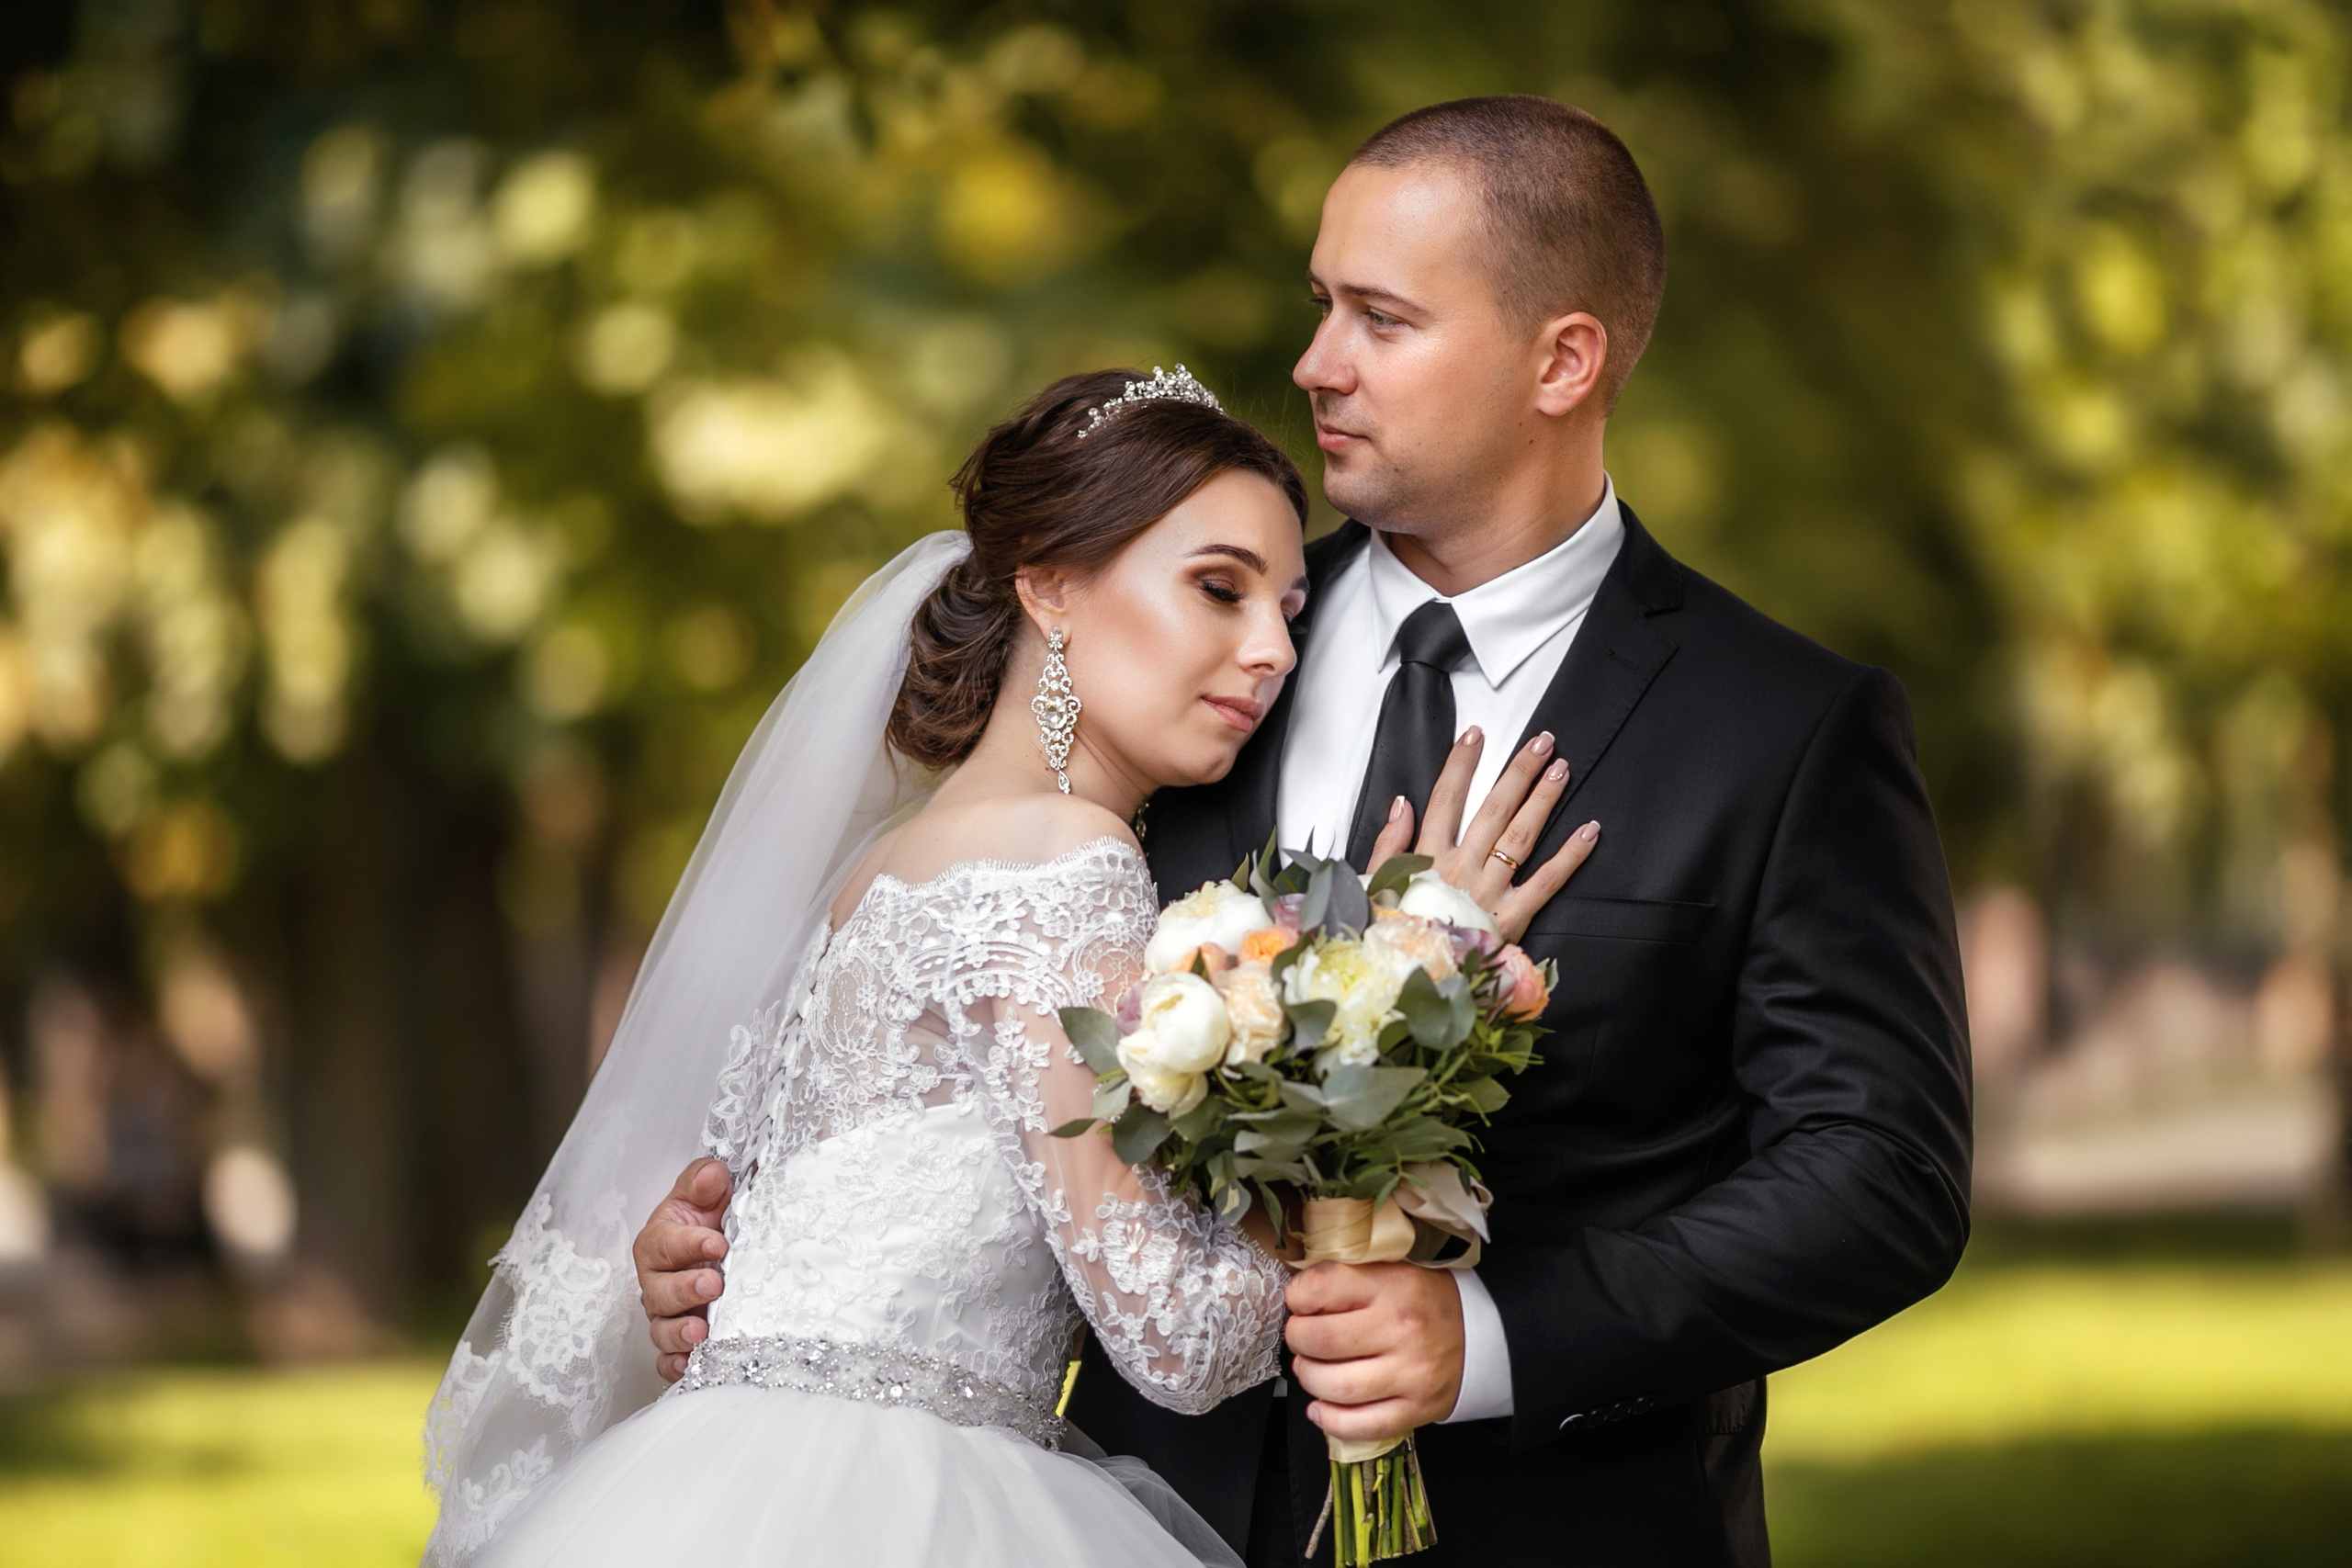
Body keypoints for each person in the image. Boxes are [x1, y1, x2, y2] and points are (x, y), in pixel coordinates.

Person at [638, 95, 1973, 1567]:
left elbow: (1878, 1175)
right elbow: (983, 1043)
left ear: (1564, 358)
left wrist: (1497, 1338)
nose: (1314, 363)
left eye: (1381, 319)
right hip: (1131, 1517)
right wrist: (754, 1271)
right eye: (1319, 304)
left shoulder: (1781, 726)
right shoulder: (1180, 665)